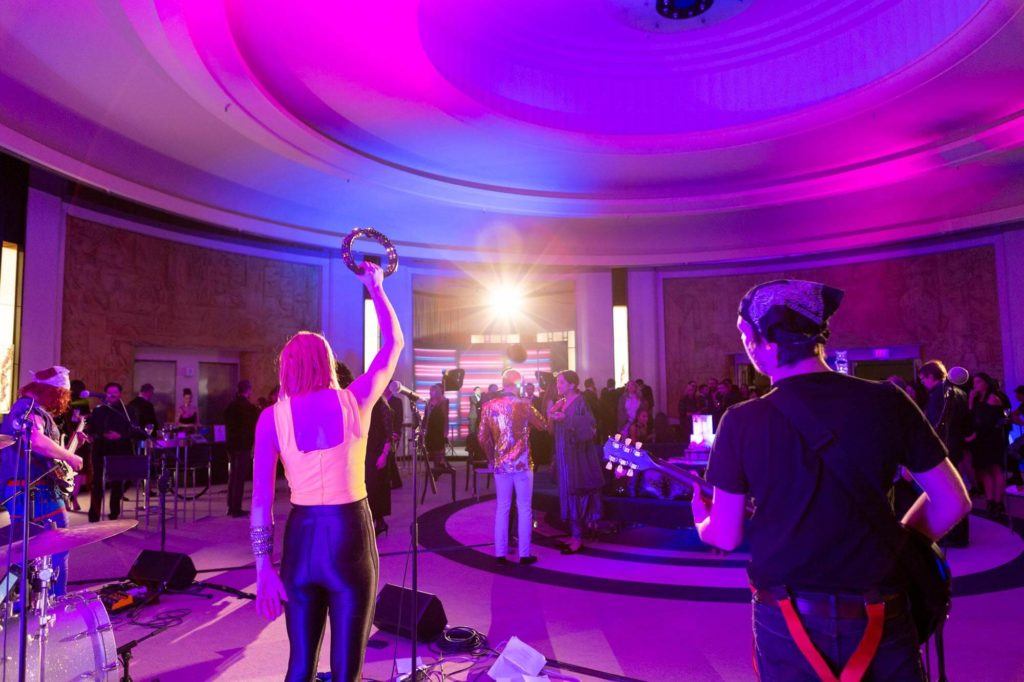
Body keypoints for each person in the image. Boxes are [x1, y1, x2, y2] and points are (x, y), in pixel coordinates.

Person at [693, 279, 971, 681]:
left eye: (745, 335)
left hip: (786, 617)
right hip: (880, 609)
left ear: (766, 339)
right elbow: (952, 501)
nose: (747, 345)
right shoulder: (889, 402)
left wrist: (701, 522)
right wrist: (897, 542)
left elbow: (726, 535)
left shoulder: (741, 421)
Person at [250, 260, 402, 682]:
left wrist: (262, 567)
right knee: (345, 669)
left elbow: (261, 500)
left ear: (286, 367)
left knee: (299, 665)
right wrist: (377, 287)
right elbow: (393, 345)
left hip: (301, 540)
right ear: (328, 362)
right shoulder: (356, 400)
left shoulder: (270, 418)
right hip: (349, 535)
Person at [0, 366, 85, 597]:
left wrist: (72, 446)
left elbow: (41, 451)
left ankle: (20, 599)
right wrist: (70, 456)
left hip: (25, 487)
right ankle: (57, 603)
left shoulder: (25, 408)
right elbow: (36, 440)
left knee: (28, 548)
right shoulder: (28, 408)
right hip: (34, 489)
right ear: (54, 392)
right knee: (58, 544)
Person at [478, 369, 547, 565]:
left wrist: (492, 457)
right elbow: (543, 425)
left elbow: (482, 437)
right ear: (517, 384)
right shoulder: (524, 405)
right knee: (525, 508)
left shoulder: (488, 406)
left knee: (502, 508)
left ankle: (500, 553)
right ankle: (524, 554)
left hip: (501, 464)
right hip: (523, 464)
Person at [549, 370, 605, 555]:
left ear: (573, 385)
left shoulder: (581, 402)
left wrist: (566, 419)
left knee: (577, 494)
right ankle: (574, 534)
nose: (558, 385)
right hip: (565, 456)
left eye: (562, 382)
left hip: (577, 457)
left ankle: (578, 537)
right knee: (568, 494)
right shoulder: (562, 403)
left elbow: (590, 427)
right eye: (558, 382)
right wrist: (553, 415)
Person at [85, 382, 139, 522]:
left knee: (118, 483)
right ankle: (94, 514)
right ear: (106, 394)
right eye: (110, 392)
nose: (112, 395)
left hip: (120, 449)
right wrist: (93, 435)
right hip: (101, 449)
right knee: (97, 482)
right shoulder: (98, 410)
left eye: (115, 392)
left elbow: (134, 430)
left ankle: (114, 513)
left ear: (120, 394)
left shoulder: (128, 411)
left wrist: (120, 436)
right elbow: (91, 428)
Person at [967, 372, 1010, 515]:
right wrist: (971, 401)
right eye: (974, 382)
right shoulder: (978, 398)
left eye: (978, 382)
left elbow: (988, 422)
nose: (975, 385)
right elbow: (972, 418)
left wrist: (975, 435)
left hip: (992, 439)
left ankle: (998, 502)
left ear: (986, 383)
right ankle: (990, 500)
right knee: (984, 471)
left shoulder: (993, 398)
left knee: (995, 470)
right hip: (981, 439)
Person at [224, 379, 260, 518]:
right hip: (243, 445)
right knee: (239, 477)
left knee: (233, 476)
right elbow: (252, 427)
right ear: (248, 390)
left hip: (232, 445)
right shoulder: (248, 408)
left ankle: (230, 506)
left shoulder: (231, 406)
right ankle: (236, 508)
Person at [423, 383, 450, 470]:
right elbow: (426, 415)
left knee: (438, 448)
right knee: (430, 448)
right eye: (430, 391)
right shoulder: (428, 401)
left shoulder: (443, 401)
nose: (430, 392)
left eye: (432, 391)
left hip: (438, 428)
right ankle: (436, 467)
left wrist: (445, 431)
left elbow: (445, 417)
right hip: (429, 428)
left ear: (437, 392)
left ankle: (437, 468)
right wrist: (423, 427)